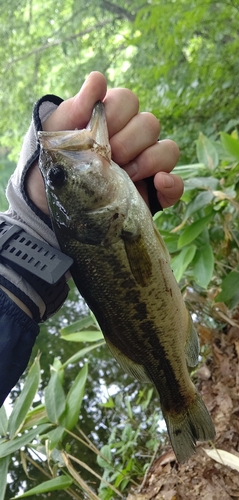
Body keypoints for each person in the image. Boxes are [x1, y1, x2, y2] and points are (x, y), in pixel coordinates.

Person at [0, 71, 183, 406]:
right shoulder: (106, 222)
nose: (54, 168)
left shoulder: (105, 222)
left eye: (54, 175)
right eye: (58, 175)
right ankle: (179, 400)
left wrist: (32, 228)